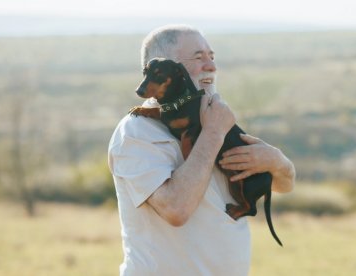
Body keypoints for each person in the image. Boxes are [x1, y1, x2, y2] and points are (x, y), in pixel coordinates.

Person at [108, 24, 295, 276]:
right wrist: (213, 133)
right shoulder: (136, 133)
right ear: (165, 68)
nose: (212, 66)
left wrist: (277, 162)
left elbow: (284, 185)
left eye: (212, 57)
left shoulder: (209, 117)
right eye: (199, 57)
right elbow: (176, 209)